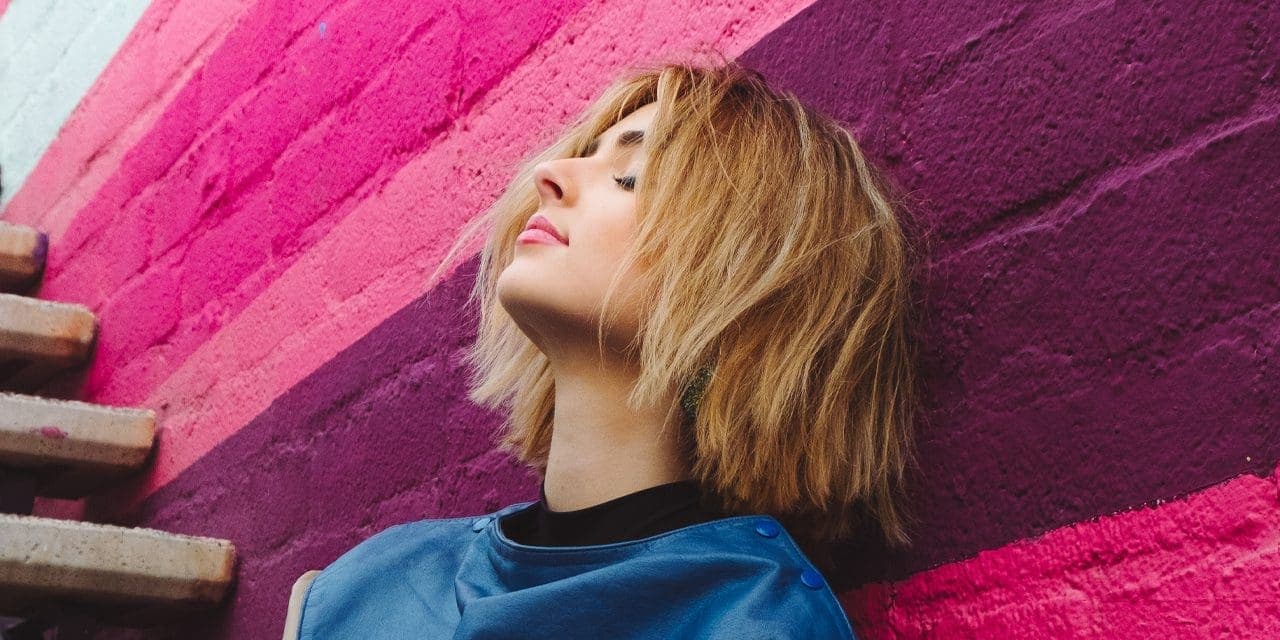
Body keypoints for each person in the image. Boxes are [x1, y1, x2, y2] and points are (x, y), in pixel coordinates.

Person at [285, 54, 923, 640]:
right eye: (583, 155)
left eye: (629, 177)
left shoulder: (753, 625)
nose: (549, 174)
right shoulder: (358, 588)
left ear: (746, 280)